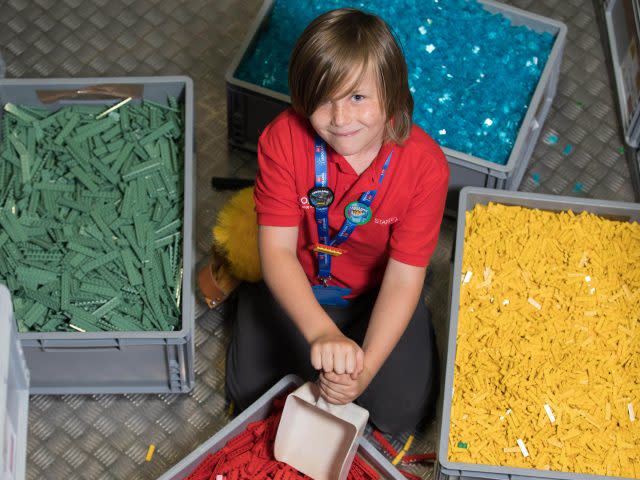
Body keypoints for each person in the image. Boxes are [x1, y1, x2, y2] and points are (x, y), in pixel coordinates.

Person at [225, 7, 449, 435]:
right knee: (250, 395)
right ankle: (255, 305)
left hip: (376, 295)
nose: (341, 118)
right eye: (324, 99)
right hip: (298, 286)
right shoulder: (282, 139)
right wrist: (321, 335)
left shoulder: (425, 166)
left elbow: (403, 280)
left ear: (393, 97)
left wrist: (361, 375)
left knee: (401, 414)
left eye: (358, 97)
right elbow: (275, 250)